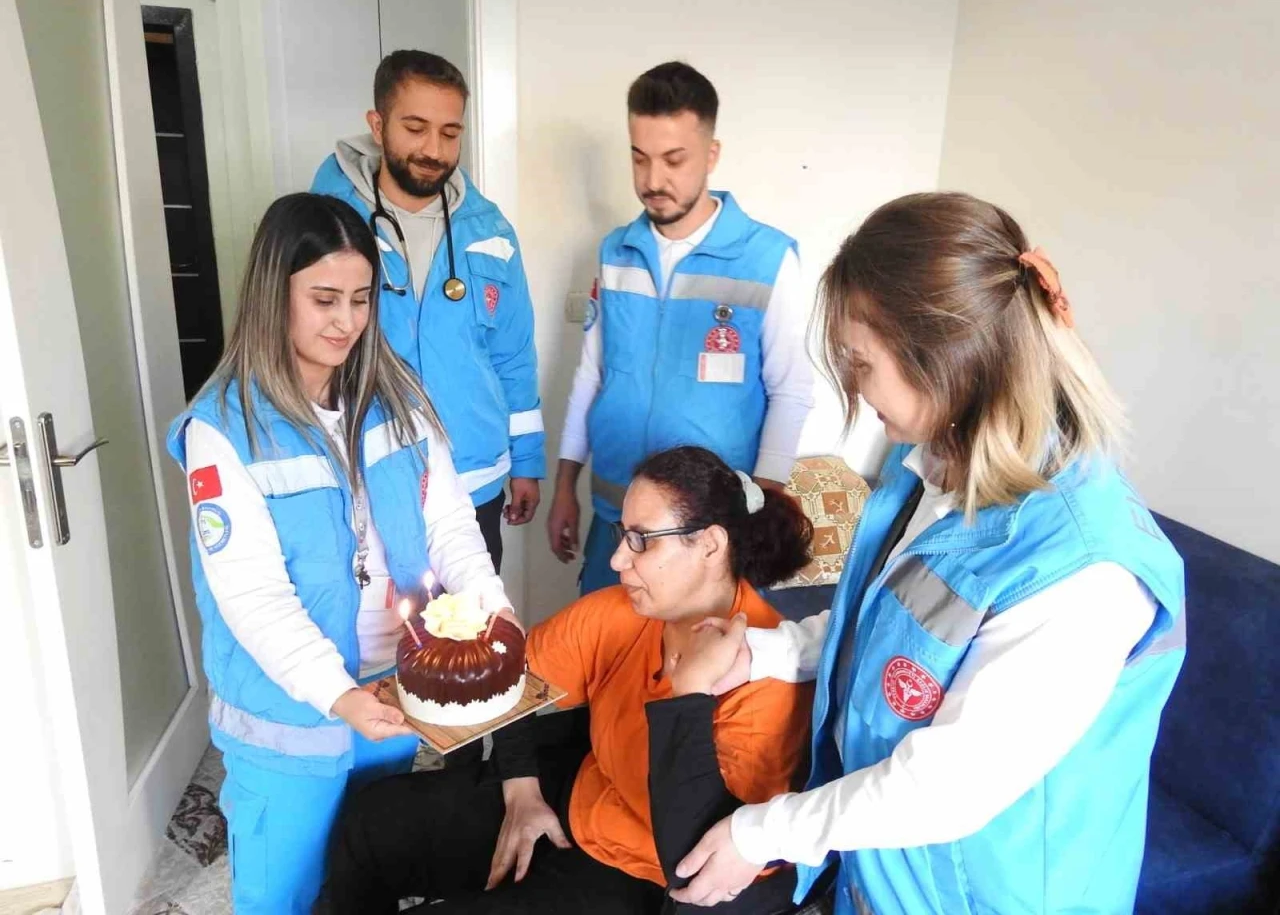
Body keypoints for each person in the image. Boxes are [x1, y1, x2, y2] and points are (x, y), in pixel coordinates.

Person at [669, 193, 1187, 914]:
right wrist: (770, 651)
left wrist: (761, 834)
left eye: (862, 364)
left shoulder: (1086, 574)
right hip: (885, 873)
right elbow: (889, 623)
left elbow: (946, 788)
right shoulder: (930, 466)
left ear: (944, 357)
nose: (855, 389)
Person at [165, 193, 520, 915]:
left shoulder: (398, 399)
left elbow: (451, 524)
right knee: (285, 895)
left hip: (388, 695)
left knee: (368, 876)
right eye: (324, 299)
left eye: (361, 300)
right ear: (274, 296)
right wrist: (336, 694)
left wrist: (492, 610)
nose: (347, 322)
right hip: (289, 722)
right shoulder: (224, 430)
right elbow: (255, 597)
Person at [323, 446, 816, 914]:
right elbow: (516, 674)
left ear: (709, 544)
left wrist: (688, 695)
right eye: (623, 534)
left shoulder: (769, 682)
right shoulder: (625, 610)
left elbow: (691, 853)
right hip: (580, 800)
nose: (617, 560)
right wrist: (521, 788)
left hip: (652, 877)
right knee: (373, 822)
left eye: (642, 540)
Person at [546, 61, 814, 595]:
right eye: (639, 158)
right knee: (600, 646)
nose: (652, 180)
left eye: (674, 160)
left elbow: (791, 389)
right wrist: (565, 486)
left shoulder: (767, 259)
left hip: (708, 532)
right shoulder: (615, 252)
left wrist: (760, 507)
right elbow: (591, 375)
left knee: (699, 653)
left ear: (711, 155)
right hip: (616, 518)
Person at [312, 50, 544, 571]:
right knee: (380, 622)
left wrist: (526, 460)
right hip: (367, 480)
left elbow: (513, 356)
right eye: (415, 128)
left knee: (473, 617)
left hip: (473, 479)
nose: (434, 150)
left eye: (450, 132)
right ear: (378, 125)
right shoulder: (324, 224)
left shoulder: (490, 230)